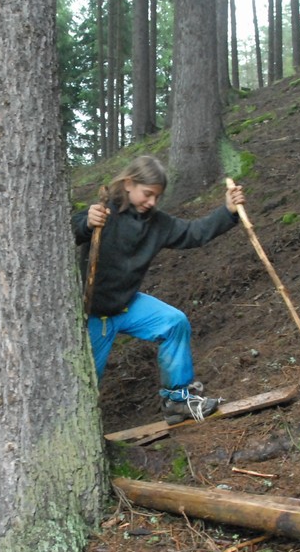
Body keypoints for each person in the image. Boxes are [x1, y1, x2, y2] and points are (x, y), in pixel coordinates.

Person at [72, 155, 247, 425]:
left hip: (127, 305)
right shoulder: (103, 212)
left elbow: (194, 232)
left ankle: (177, 401)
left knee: (173, 322)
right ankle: (76, 428)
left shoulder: (157, 224)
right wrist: (85, 223)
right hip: (92, 315)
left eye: (157, 197)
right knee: (85, 380)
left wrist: (227, 211)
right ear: (129, 184)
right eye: (148, 194)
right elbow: (70, 230)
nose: (152, 202)